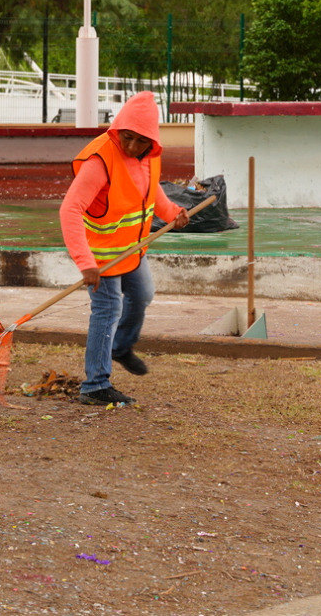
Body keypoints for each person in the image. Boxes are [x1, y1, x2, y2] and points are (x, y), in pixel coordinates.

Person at [59, 91, 187, 406]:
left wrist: (172, 213)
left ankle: (119, 347)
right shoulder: (101, 159)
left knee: (142, 294)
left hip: (131, 247)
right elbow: (70, 209)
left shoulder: (149, 156)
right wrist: (85, 262)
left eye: (140, 141)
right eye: (127, 137)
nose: (131, 147)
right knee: (108, 310)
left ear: (152, 142)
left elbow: (150, 190)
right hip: (100, 255)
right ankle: (95, 385)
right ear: (118, 129)